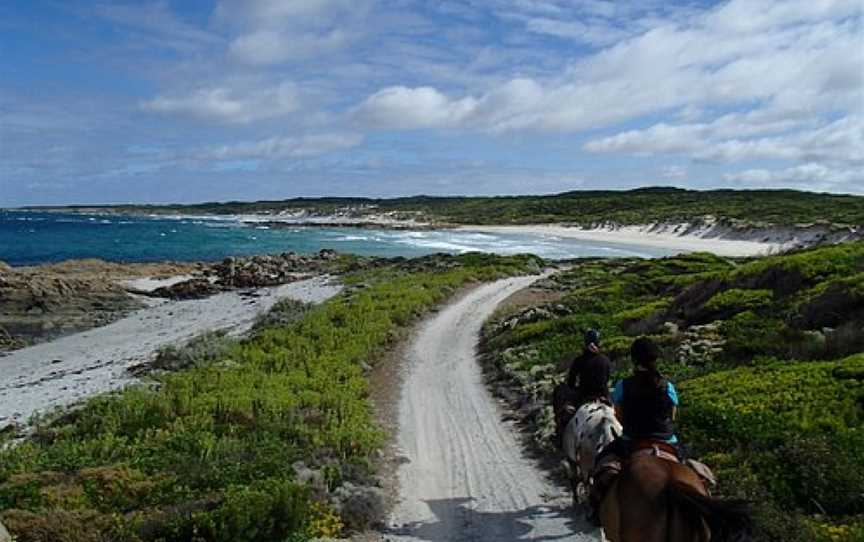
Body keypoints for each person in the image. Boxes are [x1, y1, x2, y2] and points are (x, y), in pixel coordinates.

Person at [587, 336, 679, 524]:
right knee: (689, 469)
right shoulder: (668, 386)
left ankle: (597, 511)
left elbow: (618, 416)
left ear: (634, 360)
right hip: (666, 441)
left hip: (632, 441)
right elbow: (673, 416)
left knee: (601, 463)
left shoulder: (623, 385)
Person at [552, 329, 612, 448]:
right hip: (603, 397)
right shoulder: (605, 360)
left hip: (584, 397)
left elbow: (571, 382)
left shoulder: (579, 360)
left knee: (566, 417)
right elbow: (607, 378)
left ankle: (560, 439)